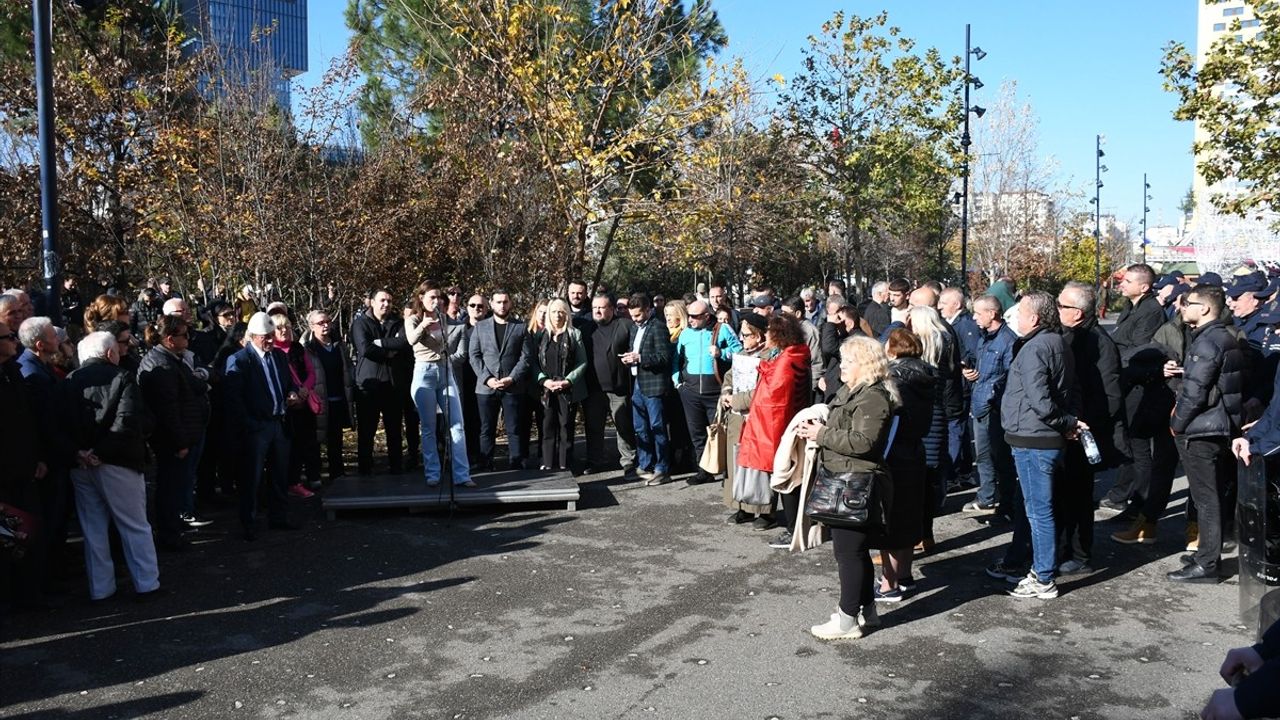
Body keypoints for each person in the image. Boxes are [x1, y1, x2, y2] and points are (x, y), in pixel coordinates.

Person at [797, 335, 897, 640]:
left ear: (865, 364)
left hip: (856, 482)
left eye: (849, 361)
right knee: (856, 551)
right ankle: (866, 611)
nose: (842, 366)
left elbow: (864, 443)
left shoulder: (872, 396)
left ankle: (847, 620)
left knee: (848, 553)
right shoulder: (856, 390)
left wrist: (821, 433)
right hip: (846, 477)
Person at [988, 291, 1082, 601]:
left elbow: (1041, 400)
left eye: (1020, 312)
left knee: (1038, 510)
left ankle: (1042, 577)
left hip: (1035, 438)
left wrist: (1066, 422)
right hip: (1038, 436)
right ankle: (1033, 568)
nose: (1013, 317)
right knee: (1036, 507)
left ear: (1035, 318)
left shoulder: (1037, 347)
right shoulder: (1055, 342)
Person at [56, 331, 160, 601]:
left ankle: (101, 589)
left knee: (93, 529)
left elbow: (58, 425)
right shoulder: (122, 377)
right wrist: (99, 453)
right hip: (118, 461)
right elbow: (126, 422)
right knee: (134, 525)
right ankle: (147, 583)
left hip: (81, 464)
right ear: (109, 353)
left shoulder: (68, 382)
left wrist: (80, 453)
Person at [1168, 284, 1244, 583]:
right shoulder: (1220, 337)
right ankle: (1206, 555)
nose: (1181, 306)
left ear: (1205, 308)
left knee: (1205, 497)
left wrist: (1177, 423)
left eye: (1188, 302)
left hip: (1202, 430)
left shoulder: (1209, 341)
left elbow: (1195, 393)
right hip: (1213, 426)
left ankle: (1207, 564)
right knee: (1207, 496)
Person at [1054, 282, 1126, 576]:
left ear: (1079, 313)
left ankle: (1080, 554)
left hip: (1083, 433)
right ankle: (1063, 548)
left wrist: (1082, 427)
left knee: (1079, 497)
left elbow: (1110, 396)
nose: (1056, 310)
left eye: (1062, 306)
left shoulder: (1098, 343)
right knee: (1064, 496)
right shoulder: (1070, 336)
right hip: (1068, 428)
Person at [736, 314, 811, 548]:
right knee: (791, 478)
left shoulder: (787, 361)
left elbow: (771, 403)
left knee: (786, 479)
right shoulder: (796, 354)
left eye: (769, 331)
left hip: (778, 430)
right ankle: (796, 526)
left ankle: (793, 529)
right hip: (790, 425)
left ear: (778, 335)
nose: (766, 335)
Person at [137, 314, 210, 551]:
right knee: (170, 488)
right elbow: (168, 410)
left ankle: (173, 529)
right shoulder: (161, 365)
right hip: (172, 441)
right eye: (184, 335)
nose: (188, 339)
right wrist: (180, 442)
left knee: (176, 486)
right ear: (170, 339)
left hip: (183, 435)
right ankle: (169, 535)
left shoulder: (171, 360)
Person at [224, 312, 300, 540]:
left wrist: (292, 393)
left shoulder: (277, 356)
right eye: (264, 337)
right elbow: (233, 399)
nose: (270, 341)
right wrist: (249, 424)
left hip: (278, 422)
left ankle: (279, 517)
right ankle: (248, 522)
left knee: (279, 474)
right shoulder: (239, 360)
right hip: (257, 427)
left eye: (271, 336)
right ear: (252, 337)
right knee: (252, 477)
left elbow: (287, 383)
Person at [1103, 263, 1170, 517]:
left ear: (1144, 286)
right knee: (1129, 440)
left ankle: (1140, 503)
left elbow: (1141, 349)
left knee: (1138, 444)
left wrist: (1114, 358)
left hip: (1139, 384)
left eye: (1128, 281)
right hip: (1127, 380)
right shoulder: (1132, 307)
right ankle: (1123, 493)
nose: (1122, 284)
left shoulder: (1151, 311)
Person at [878, 329, 933, 601]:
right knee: (910, 514)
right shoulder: (927, 374)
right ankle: (906, 576)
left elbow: (889, 417)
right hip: (916, 447)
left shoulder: (894, 377)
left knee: (889, 518)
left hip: (893, 450)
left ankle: (889, 582)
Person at [405, 282, 473, 487]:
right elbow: (411, 340)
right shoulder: (413, 319)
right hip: (424, 372)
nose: (436, 301)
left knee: (457, 425)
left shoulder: (443, 318)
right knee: (428, 427)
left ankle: (462, 475)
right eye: (432, 297)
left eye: (438, 298)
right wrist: (425, 325)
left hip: (445, 371)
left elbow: (445, 345)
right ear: (421, 298)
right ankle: (433, 473)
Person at [673, 300, 741, 485]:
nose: (690, 320)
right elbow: (676, 360)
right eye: (688, 316)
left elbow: (741, 352)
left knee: (719, 432)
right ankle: (704, 470)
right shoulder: (685, 334)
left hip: (715, 390)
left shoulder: (723, 329)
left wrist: (722, 353)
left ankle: (727, 470)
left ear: (706, 316)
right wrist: (677, 382)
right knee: (696, 432)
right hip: (690, 390)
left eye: (694, 317)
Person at [963, 295, 1017, 516]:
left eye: (978, 313)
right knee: (983, 455)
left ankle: (1007, 505)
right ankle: (986, 496)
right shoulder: (984, 338)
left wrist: (993, 394)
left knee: (1001, 458)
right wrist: (969, 370)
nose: (974, 317)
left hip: (995, 408)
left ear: (992, 313)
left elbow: (1010, 376)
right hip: (980, 404)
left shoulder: (1008, 341)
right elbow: (981, 366)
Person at [469, 289, 532, 471]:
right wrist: (487, 378)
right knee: (486, 429)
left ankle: (516, 463)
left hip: (512, 386)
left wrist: (512, 378)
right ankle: (485, 463)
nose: (502, 305)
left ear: (510, 303)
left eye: (505, 302)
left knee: (514, 428)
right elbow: (474, 356)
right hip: (486, 387)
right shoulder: (480, 327)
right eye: (498, 302)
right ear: (491, 304)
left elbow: (526, 357)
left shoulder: (520, 327)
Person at [351, 289, 410, 475]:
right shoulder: (360, 323)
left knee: (394, 430)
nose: (386, 304)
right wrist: (388, 350)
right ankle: (365, 468)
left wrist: (379, 343)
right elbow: (364, 348)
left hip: (393, 384)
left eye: (389, 300)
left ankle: (396, 466)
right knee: (367, 430)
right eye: (382, 300)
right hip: (368, 386)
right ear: (373, 302)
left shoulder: (398, 322)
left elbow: (404, 344)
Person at [721, 313, 773, 524]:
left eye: (747, 335)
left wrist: (737, 399)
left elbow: (765, 389)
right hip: (737, 418)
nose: (742, 340)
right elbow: (729, 377)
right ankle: (742, 506)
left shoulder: (770, 357)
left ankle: (764, 510)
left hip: (758, 419)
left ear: (759, 336)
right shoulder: (742, 354)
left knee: (759, 466)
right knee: (736, 462)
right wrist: (726, 392)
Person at [623, 293, 675, 486]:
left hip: (654, 385)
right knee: (640, 427)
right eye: (632, 316)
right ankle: (645, 465)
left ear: (648, 310)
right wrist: (629, 358)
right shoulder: (635, 329)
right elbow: (635, 350)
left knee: (657, 427)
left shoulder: (658, 327)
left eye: (638, 315)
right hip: (638, 383)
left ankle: (662, 468)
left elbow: (664, 357)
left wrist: (640, 359)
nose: (635, 319)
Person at [531, 299, 588, 471]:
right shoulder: (541, 336)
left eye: (561, 311)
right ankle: (547, 463)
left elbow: (582, 361)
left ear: (567, 314)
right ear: (549, 314)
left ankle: (565, 464)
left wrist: (568, 380)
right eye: (554, 311)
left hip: (567, 389)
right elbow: (533, 363)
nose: (558, 315)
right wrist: (544, 380)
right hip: (546, 390)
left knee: (565, 427)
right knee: (547, 426)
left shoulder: (574, 334)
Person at [271, 314, 320, 498]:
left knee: (305, 443)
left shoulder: (298, 348)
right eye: (279, 328)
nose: (284, 331)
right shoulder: (273, 351)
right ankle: (288, 482)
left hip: (303, 403)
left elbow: (310, 372)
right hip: (285, 407)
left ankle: (299, 480)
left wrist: (304, 390)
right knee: (287, 447)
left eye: (287, 327)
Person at [304, 310, 354, 482]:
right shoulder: (308, 349)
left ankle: (337, 472)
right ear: (312, 327)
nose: (325, 325)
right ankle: (315, 475)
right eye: (320, 323)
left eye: (327, 321)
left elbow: (348, 368)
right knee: (316, 439)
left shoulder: (339, 345)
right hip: (318, 400)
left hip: (338, 398)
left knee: (336, 438)